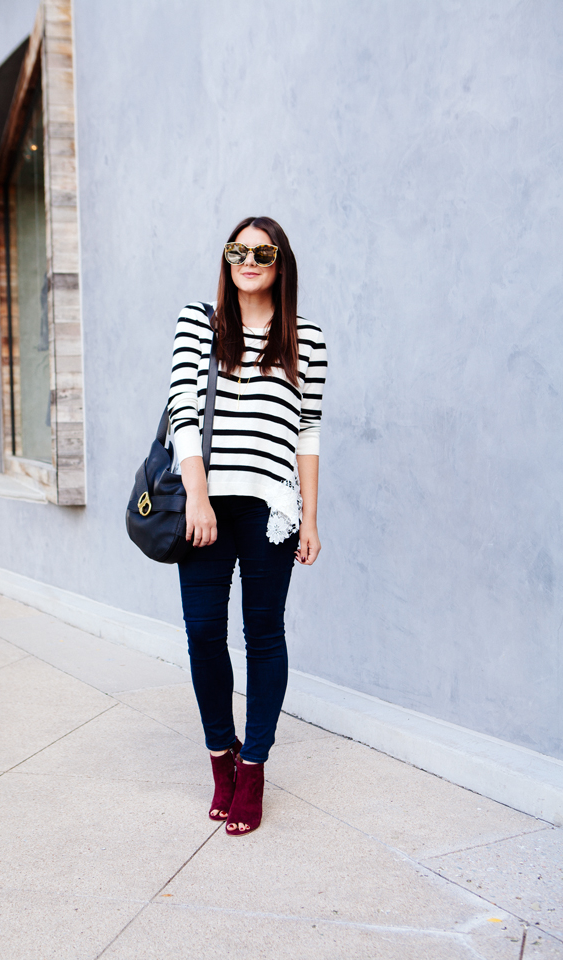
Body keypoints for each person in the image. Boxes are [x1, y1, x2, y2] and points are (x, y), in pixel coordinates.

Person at [168, 215, 327, 835]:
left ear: (281, 262)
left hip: (272, 512)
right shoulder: (197, 323)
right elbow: (184, 410)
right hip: (207, 504)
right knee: (204, 633)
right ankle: (220, 756)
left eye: (263, 251)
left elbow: (308, 432)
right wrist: (198, 497)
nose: (249, 259)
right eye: (238, 249)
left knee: (263, 636)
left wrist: (310, 516)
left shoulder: (305, 339)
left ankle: (254, 766)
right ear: (227, 260)